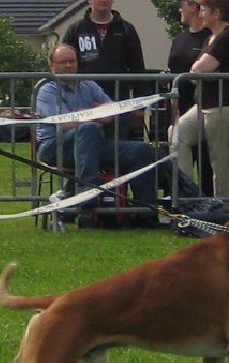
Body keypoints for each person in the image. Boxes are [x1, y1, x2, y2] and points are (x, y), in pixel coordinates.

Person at [35, 44, 158, 228]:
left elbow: (112, 112)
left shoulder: (89, 85)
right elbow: (62, 123)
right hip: (55, 147)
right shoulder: (47, 90)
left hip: (93, 144)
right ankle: (87, 192)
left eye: (72, 61)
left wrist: (82, 115)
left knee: (141, 150)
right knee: (88, 129)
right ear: (51, 66)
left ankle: (146, 213)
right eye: (63, 62)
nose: (68, 65)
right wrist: (94, 114)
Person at [173, 0, 229, 202]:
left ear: (217, 12)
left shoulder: (227, 36)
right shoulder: (210, 39)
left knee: (220, 160)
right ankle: (189, 196)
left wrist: (203, 72)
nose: (200, 13)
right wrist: (203, 72)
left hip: (222, 106)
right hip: (203, 104)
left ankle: (224, 207)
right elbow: (198, 71)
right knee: (176, 135)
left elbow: (199, 69)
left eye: (204, 10)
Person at [62, 0, 147, 139]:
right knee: (87, 148)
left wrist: (139, 105)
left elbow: (138, 68)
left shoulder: (127, 29)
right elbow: (64, 64)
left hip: (118, 103)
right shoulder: (75, 30)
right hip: (84, 104)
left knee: (116, 154)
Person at [166, 0, 213, 195]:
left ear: (193, 7)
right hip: (179, 106)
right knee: (179, 153)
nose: (180, 9)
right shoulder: (179, 39)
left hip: (204, 106)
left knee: (206, 161)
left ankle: (209, 203)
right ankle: (185, 198)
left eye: (182, 4)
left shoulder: (211, 38)